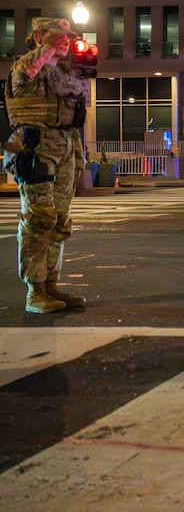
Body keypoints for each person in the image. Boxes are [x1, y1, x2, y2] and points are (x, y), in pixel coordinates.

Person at [4, 17, 88, 312]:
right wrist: (47, 49)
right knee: (39, 218)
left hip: (64, 148)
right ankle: (35, 291)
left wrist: (79, 157)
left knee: (60, 220)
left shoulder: (62, 73)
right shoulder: (25, 67)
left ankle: (51, 286)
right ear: (39, 38)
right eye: (57, 36)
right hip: (35, 148)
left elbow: (74, 119)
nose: (66, 40)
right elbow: (28, 70)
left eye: (67, 36)